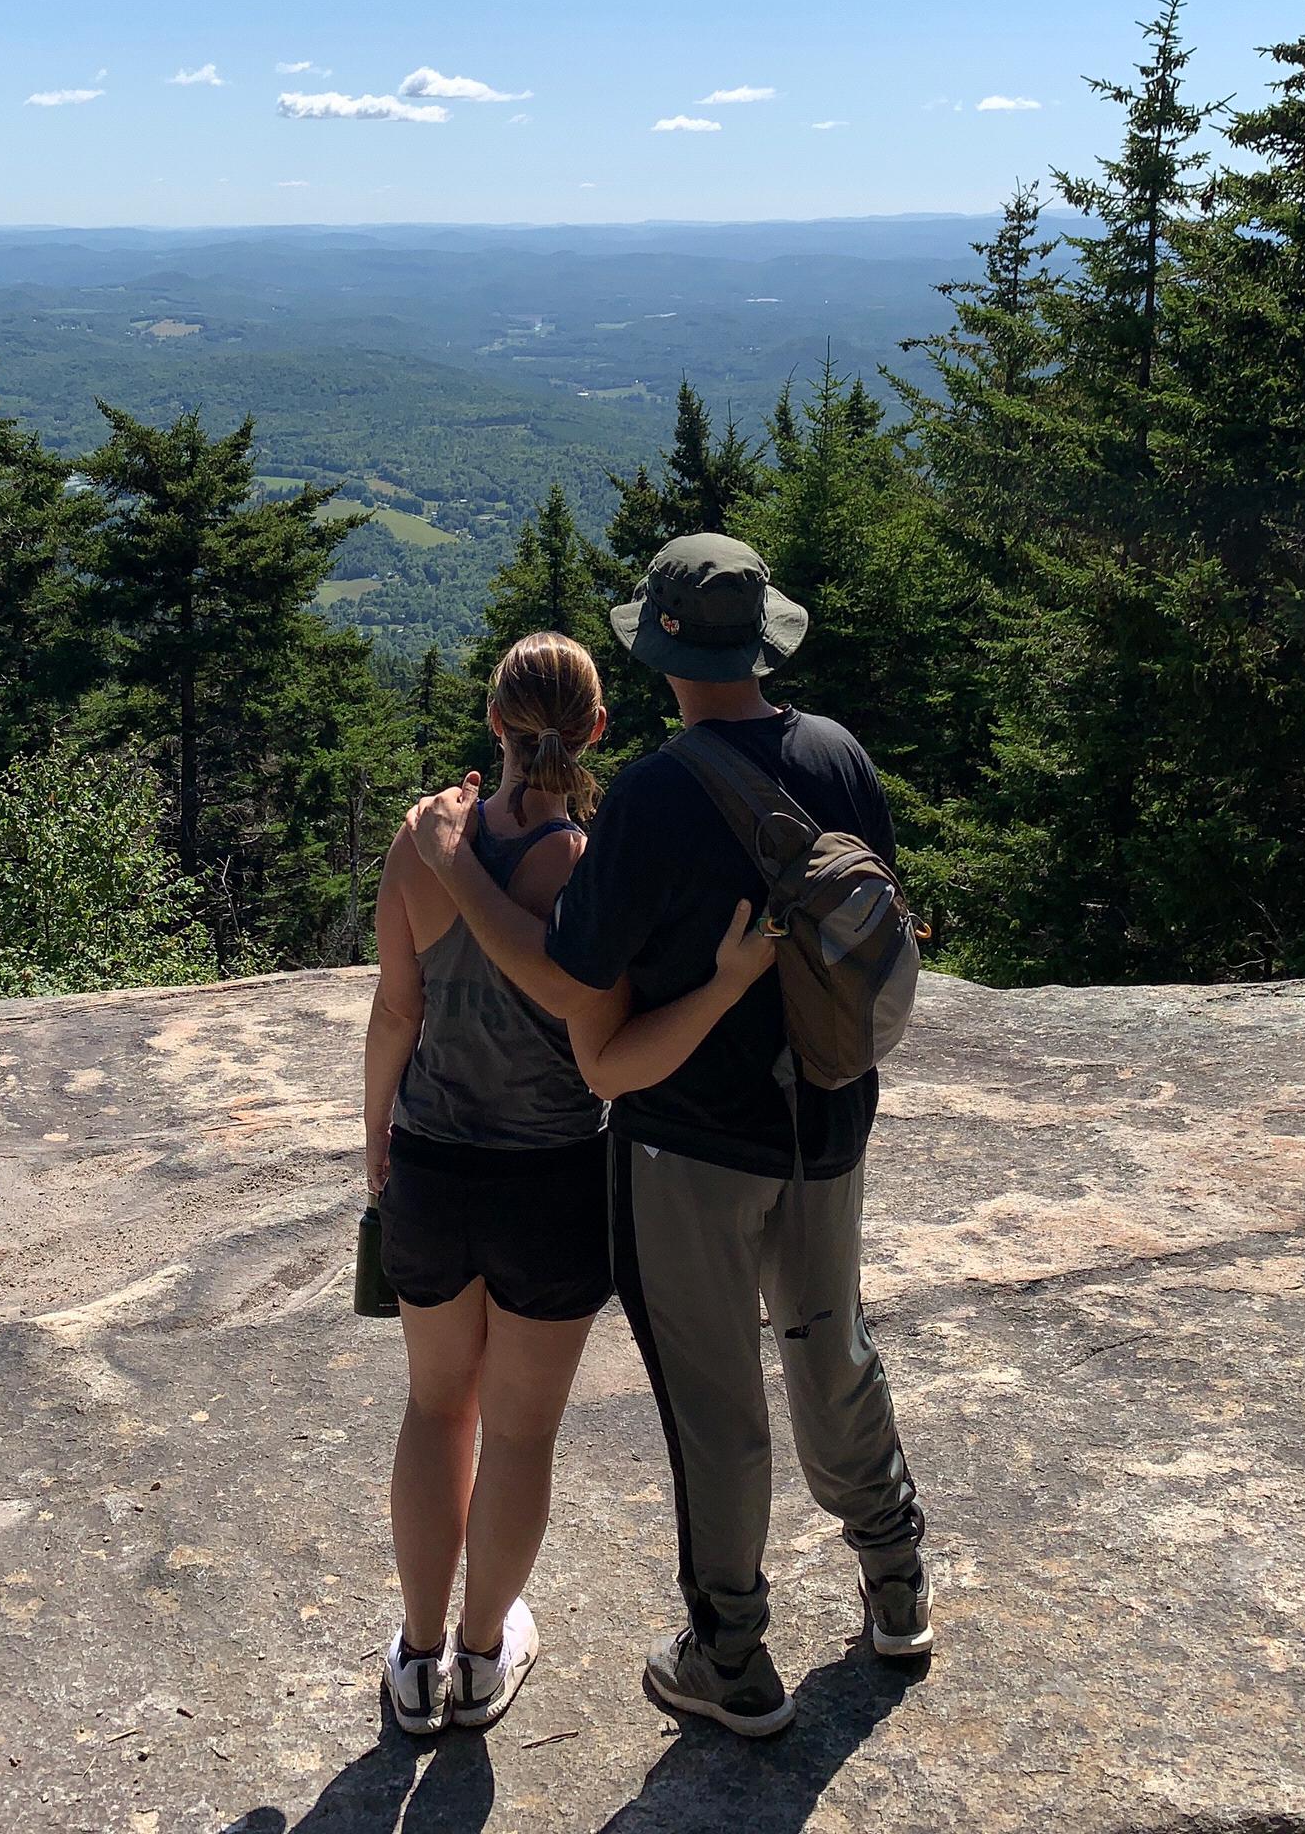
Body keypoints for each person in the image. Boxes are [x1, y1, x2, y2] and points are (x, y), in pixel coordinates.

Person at [407, 535, 930, 1740]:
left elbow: (563, 969)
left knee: (715, 1402)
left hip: (689, 1143)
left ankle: (731, 1651)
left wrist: (455, 868)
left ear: (658, 652)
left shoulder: (652, 793)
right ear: (761, 641)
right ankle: (895, 1576)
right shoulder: (838, 755)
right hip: (830, 1114)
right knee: (831, 1341)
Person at [363, 628, 774, 1735]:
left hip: (434, 1168)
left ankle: (413, 1657)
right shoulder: (590, 868)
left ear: (493, 721)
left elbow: (397, 1008)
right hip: (554, 1178)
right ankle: (485, 1655)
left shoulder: (421, 841)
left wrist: (377, 1144)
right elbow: (603, 1035)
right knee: (523, 1429)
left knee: (433, 1402)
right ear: (597, 729)